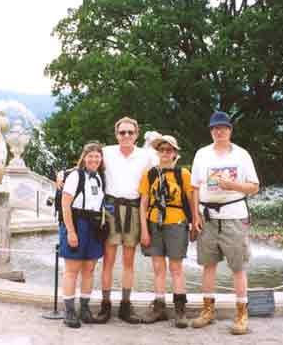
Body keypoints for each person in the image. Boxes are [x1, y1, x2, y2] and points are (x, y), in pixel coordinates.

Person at [189, 110, 259, 335]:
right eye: (215, 128)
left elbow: (254, 186)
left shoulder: (241, 155)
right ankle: (207, 310)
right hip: (207, 217)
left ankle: (241, 314)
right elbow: (194, 188)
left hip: (233, 216)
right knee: (208, 265)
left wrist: (233, 186)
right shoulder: (202, 154)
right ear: (211, 131)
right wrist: (195, 216)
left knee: (238, 267)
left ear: (230, 130)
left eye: (223, 128)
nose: (219, 131)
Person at [97, 116, 153, 323]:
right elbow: (87, 164)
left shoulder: (146, 156)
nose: (126, 136)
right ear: (116, 134)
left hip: (134, 208)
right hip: (111, 208)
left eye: (130, 132)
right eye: (123, 132)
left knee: (129, 261)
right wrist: (62, 175)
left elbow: (165, 167)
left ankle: (125, 306)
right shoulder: (106, 152)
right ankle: (105, 305)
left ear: (137, 135)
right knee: (108, 261)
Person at [138, 135, 194, 328]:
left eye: (169, 150)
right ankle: (159, 307)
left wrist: (195, 221)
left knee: (176, 268)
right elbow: (143, 203)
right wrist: (144, 230)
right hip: (154, 224)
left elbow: (191, 198)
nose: (165, 153)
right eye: (162, 150)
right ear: (157, 152)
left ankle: (180, 310)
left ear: (175, 153)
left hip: (176, 222)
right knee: (158, 268)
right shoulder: (150, 174)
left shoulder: (183, 174)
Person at [59, 142, 106, 328]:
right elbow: (65, 205)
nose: (94, 159)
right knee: (72, 270)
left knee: (89, 269)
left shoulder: (100, 177)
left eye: (97, 156)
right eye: (90, 156)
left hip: (94, 224)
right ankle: (69, 311)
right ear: (84, 158)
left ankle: (84, 309)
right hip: (77, 223)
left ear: (101, 159)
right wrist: (71, 231)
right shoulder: (75, 176)